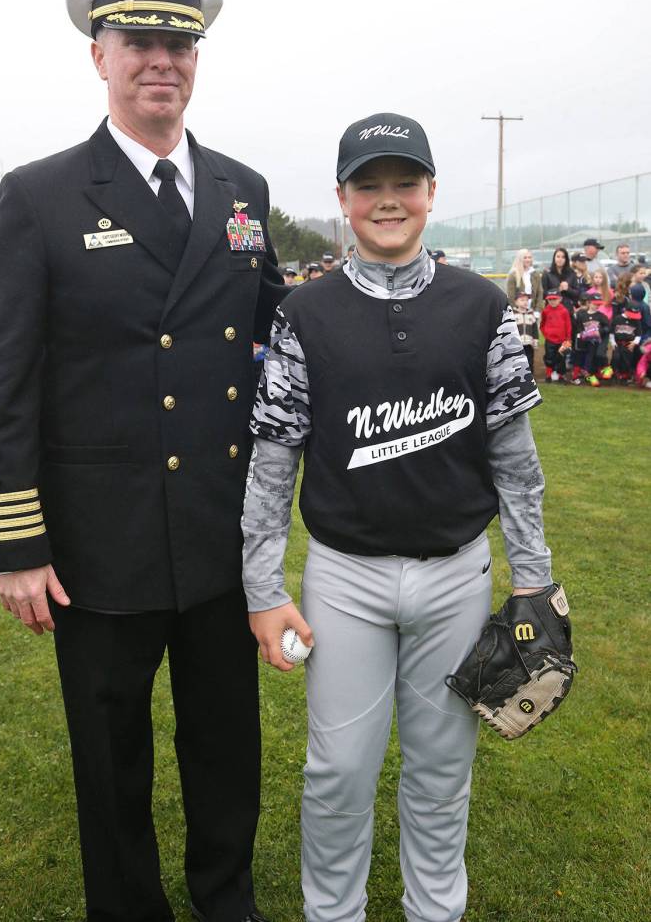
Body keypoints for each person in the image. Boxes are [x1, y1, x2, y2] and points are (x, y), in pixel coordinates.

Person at [0, 0, 284, 922]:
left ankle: (224, 897)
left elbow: (278, 325)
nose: (161, 59)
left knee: (226, 741)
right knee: (111, 753)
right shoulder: (41, 194)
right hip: (98, 539)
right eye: (138, 38)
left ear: (198, 60)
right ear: (98, 56)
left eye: (179, 43)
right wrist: (17, 541)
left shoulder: (242, 190)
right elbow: (6, 379)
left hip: (219, 529)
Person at [242, 113, 554, 922]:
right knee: (338, 770)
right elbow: (274, 460)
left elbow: (514, 459)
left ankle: (433, 912)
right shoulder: (304, 313)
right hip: (344, 575)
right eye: (368, 185)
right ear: (342, 197)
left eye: (403, 182)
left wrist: (535, 579)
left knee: (442, 768)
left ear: (429, 192)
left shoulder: (481, 304)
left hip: (456, 571)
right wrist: (260, 584)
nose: (388, 200)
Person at [573, 293, 610, 386]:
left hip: (599, 341)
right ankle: (589, 376)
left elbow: (608, 328)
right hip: (587, 342)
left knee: (600, 355)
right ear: (589, 303)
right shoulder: (582, 315)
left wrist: (600, 331)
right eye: (595, 304)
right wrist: (582, 333)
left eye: (598, 304)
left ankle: (606, 370)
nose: (597, 306)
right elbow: (578, 327)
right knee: (588, 358)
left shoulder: (601, 316)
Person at [540, 289, 573, 382]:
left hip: (562, 340)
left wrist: (568, 339)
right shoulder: (546, 311)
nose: (552, 301)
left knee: (561, 357)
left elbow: (568, 325)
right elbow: (542, 324)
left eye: (555, 299)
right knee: (549, 357)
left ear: (560, 299)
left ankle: (561, 374)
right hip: (550, 340)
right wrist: (546, 334)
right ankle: (549, 373)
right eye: (550, 299)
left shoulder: (564, 311)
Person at [541, 247, 578, 311]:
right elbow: (543, 294)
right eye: (558, 257)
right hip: (552, 309)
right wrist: (558, 290)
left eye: (563, 257)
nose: (560, 259)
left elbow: (577, 293)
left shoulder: (571, 273)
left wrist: (568, 289)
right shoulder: (547, 273)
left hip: (567, 309)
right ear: (554, 258)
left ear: (566, 259)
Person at [513, 291, 539, 372]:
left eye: (527, 300)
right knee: (517, 361)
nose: (525, 302)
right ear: (516, 302)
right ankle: (517, 377)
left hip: (528, 343)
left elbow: (535, 329)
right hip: (517, 343)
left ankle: (530, 378)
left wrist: (535, 340)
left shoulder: (531, 314)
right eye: (522, 300)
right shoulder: (512, 315)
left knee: (529, 360)